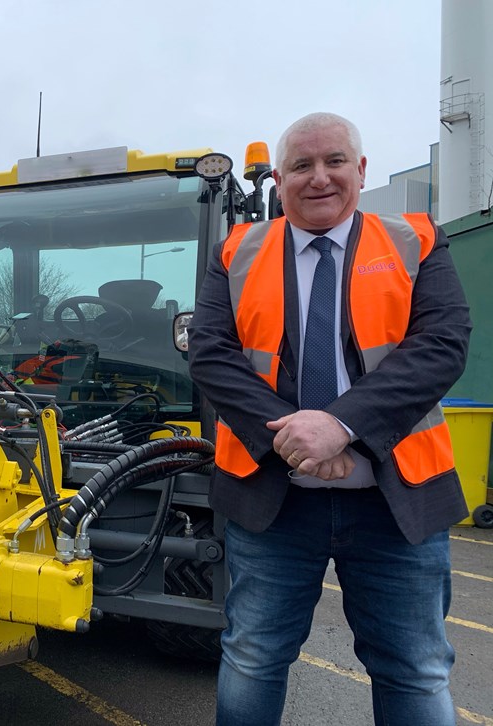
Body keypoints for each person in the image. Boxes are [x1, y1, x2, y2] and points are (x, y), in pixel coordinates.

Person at [188, 112, 471, 726]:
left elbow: (442, 345)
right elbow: (211, 353)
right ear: (281, 180)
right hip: (274, 500)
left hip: (395, 502)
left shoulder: (418, 240)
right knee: (252, 658)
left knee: (414, 671)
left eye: (334, 161)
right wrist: (295, 438)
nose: (319, 178)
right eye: (301, 166)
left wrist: (339, 426)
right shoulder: (236, 251)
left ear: (361, 170)